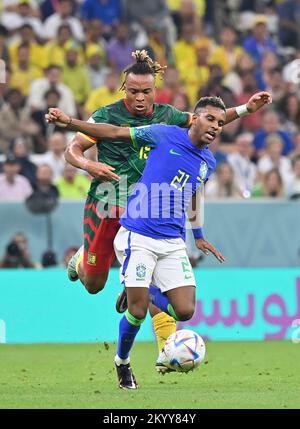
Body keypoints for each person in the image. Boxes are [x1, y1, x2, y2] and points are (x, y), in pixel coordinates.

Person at [55, 50, 271, 369]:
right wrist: (89, 164)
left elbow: (207, 121)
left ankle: (166, 351)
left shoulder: (167, 116)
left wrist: (245, 109)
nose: (140, 98)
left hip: (146, 209)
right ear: (123, 89)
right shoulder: (105, 115)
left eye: (146, 91)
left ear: (155, 90)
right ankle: (82, 259)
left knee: (156, 285)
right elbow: (72, 149)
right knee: (93, 285)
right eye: (133, 91)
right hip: (107, 202)